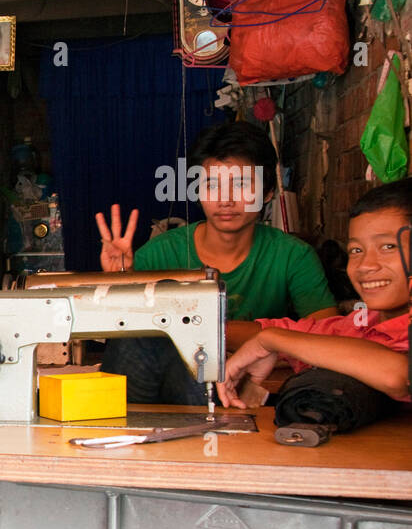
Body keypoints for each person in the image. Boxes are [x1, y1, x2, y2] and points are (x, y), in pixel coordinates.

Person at [95, 121, 337, 404]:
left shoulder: (293, 256)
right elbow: (127, 342)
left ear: (268, 192)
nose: (225, 200)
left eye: (242, 185)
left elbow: (328, 338)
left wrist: (201, 334)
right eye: (212, 185)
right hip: (158, 390)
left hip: (239, 389)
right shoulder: (160, 253)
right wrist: (121, 282)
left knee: (203, 365)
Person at [219, 179, 411, 407]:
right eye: (356, 250)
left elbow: (398, 375)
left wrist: (269, 341)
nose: (365, 265)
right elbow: (292, 332)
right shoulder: (359, 325)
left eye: (388, 247)